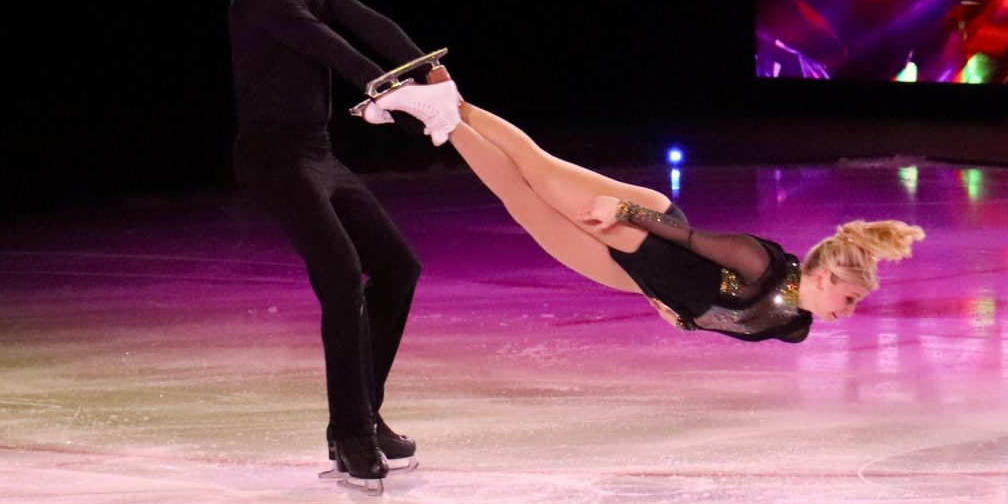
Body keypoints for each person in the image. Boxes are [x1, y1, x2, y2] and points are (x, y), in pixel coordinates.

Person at [214, 0, 444, 494]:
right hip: (273, 160)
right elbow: (332, 50)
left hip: (317, 153)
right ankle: (350, 434)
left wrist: (428, 74)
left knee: (397, 268)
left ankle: (361, 415)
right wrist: (400, 98)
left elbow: (366, 23)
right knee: (342, 278)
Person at [366, 81, 924, 339]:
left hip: (636, 277)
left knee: (519, 202)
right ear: (822, 275)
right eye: (849, 298)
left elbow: (721, 317)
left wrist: (683, 316)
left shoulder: (794, 324)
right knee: (537, 169)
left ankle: (438, 117)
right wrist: (622, 209)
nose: (848, 312)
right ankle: (451, 97)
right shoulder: (763, 265)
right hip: (645, 230)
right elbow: (689, 240)